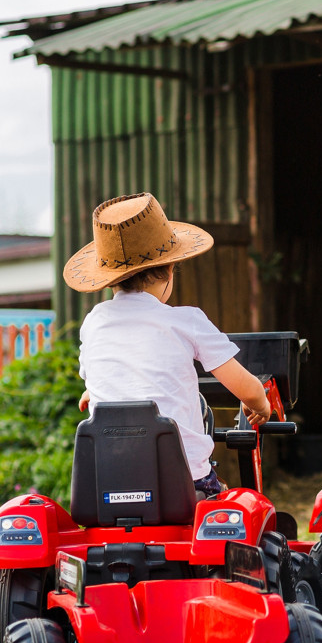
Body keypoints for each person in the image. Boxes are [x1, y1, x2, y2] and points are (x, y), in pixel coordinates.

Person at [63, 193, 271, 496]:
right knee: (228, 498)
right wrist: (260, 405)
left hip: (107, 484)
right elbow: (247, 389)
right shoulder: (186, 321)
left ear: (109, 280)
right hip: (183, 483)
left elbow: (101, 373)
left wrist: (92, 392)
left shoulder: (94, 322)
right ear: (170, 270)